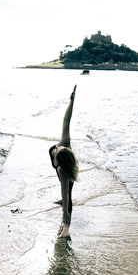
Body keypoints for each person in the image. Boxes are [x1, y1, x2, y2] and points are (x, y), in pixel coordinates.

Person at [49, 85, 79, 237]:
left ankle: (66, 227)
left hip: (67, 171)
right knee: (65, 190)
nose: (56, 150)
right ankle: (64, 205)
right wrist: (71, 101)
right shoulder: (64, 143)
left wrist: (65, 211)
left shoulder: (63, 170)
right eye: (57, 151)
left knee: (68, 193)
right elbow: (66, 120)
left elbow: (65, 191)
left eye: (57, 154)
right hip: (66, 166)